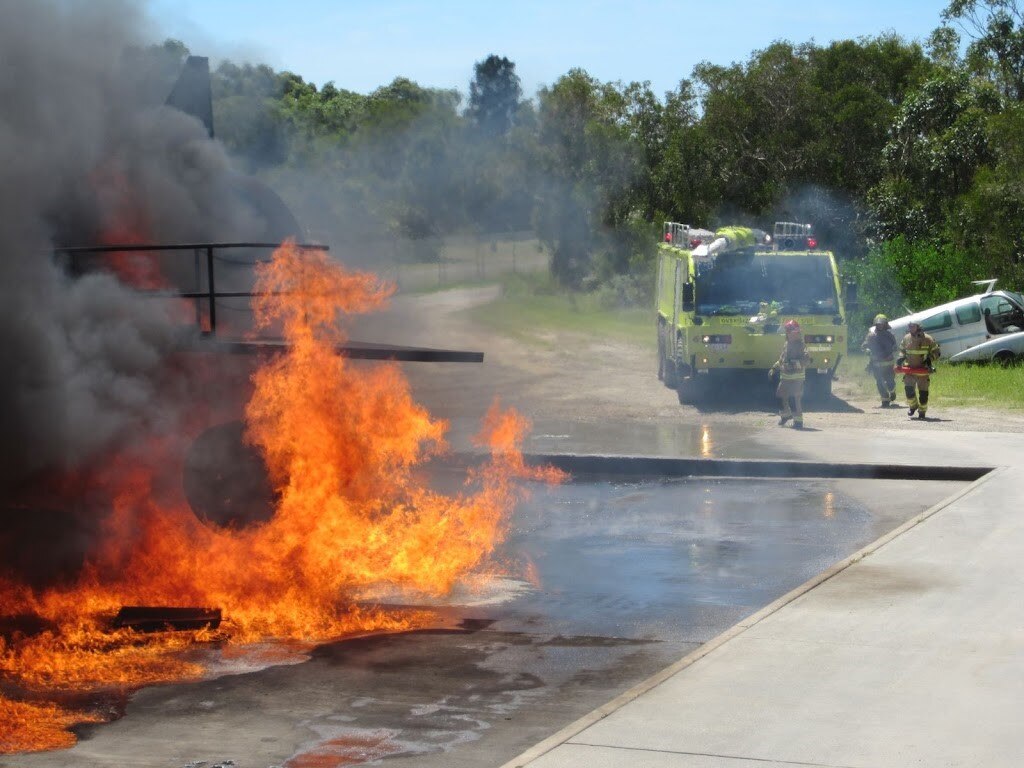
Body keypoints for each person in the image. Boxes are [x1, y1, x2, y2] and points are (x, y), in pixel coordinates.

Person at [770, 319, 812, 429]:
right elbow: (782, 359)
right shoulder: (786, 344)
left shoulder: (801, 346)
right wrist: (775, 367)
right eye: (788, 332)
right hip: (785, 378)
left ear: (797, 333)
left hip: (797, 378)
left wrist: (794, 364)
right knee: (779, 397)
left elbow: (807, 360)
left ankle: (798, 422)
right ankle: (785, 416)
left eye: (792, 332)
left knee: (794, 399)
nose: (790, 334)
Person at [898, 321, 941, 419]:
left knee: (923, 394)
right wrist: (900, 359)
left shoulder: (928, 339)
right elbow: (902, 350)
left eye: (913, 326)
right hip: (910, 370)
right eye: (909, 326)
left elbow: (937, 352)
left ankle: (922, 411)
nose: (911, 328)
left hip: (923, 371)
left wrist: (930, 359)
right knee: (909, 391)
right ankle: (913, 406)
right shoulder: (906, 338)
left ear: (918, 327)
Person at [861, 313, 898, 407]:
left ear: (885, 324)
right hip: (876, 364)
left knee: (890, 382)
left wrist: (894, 347)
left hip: (889, 364)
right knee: (879, 382)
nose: (880, 325)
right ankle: (885, 400)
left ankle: (892, 392)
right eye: (878, 324)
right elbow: (864, 346)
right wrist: (867, 350)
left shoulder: (890, 335)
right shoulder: (871, 336)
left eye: (882, 324)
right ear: (875, 324)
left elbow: (895, 345)